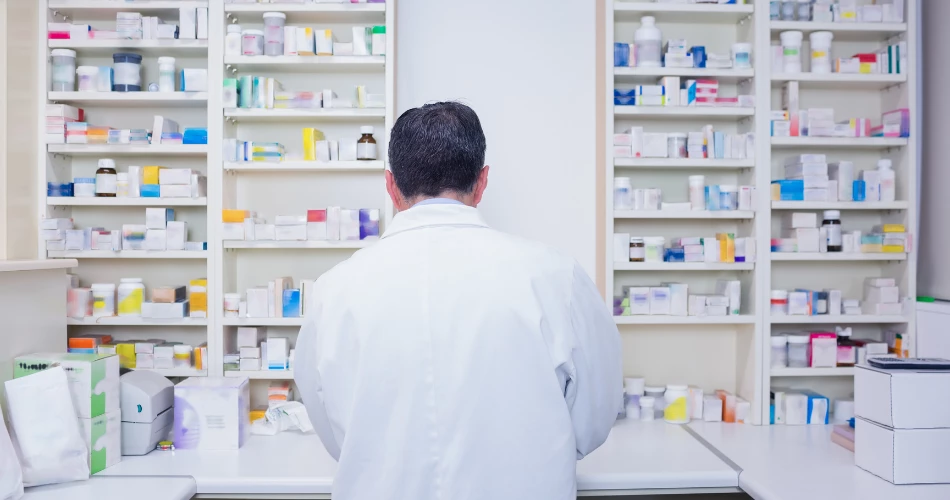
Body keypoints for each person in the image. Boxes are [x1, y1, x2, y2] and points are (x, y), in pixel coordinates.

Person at [294, 101, 622, 500]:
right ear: (482, 183)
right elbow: (595, 416)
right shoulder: (555, 276)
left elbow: (330, 428)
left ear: (391, 187)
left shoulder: (335, 289)